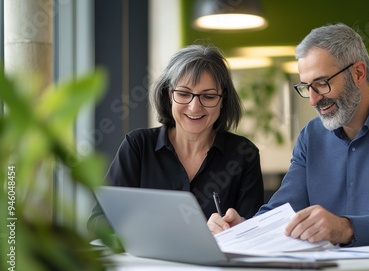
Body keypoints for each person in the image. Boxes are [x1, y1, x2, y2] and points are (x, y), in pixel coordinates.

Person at [208, 23, 369, 271]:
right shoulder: (311, 136)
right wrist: (245, 231)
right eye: (306, 87)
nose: (314, 100)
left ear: (358, 73)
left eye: (322, 83)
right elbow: (282, 211)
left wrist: (347, 228)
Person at [88, 44, 264, 235]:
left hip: (215, 264)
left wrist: (237, 228)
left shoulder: (244, 155)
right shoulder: (138, 147)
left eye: (208, 96)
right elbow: (99, 221)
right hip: (148, 264)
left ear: (223, 100)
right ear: (169, 95)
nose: (194, 107)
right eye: (184, 94)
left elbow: (255, 233)